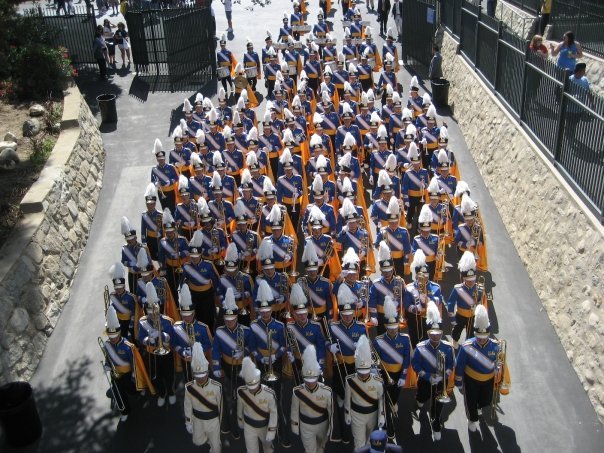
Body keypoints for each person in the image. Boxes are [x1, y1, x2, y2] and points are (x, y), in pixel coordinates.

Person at [454, 305, 505, 432]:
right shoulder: (466, 346)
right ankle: (471, 419)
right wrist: (459, 383)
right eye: (479, 337)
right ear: (475, 334)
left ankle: (479, 408)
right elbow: (459, 365)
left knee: (485, 400)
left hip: (488, 380)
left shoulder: (495, 346)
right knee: (470, 401)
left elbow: (500, 362)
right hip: (470, 379)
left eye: (484, 337)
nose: (482, 340)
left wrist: (499, 368)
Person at [411, 301, 454, 441]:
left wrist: (444, 375)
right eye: (432, 334)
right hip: (425, 380)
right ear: (428, 333)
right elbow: (415, 363)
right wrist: (427, 376)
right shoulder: (420, 347)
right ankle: (420, 400)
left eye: (438, 334)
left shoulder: (447, 347)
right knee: (422, 397)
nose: (435, 337)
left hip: (441, 381)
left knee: (438, 405)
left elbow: (451, 364)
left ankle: (436, 425)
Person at [344, 335, 385, 449]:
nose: (363, 374)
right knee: (359, 443)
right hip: (357, 414)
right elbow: (347, 399)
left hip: (372, 414)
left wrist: (381, 417)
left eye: (365, 371)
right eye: (360, 371)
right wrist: (347, 414)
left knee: (370, 441)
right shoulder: (350, 381)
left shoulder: (378, 382)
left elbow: (381, 401)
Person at [291, 345, 334, 453]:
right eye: (308, 380)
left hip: (323, 425)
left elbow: (331, 411)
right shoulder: (297, 392)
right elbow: (295, 410)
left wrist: (331, 428)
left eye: (313, 379)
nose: (310, 383)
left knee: (321, 448)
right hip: (306, 426)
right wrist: (295, 425)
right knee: (310, 450)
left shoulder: (327, 391)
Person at [184, 343, 223, 452]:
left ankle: (215, 444)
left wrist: (221, 422)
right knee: (198, 441)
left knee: (216, 447)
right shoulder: (189, 388)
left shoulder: (216, 386)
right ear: (193, 374)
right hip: (197, 420)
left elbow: (221, 405)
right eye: (197, 376)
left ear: (208, 372)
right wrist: (188, 422)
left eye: (203, 376)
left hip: (213, 420)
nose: (200, 379)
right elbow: (187, 406)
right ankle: (210, 440)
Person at [237, 357, 278, 453]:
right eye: (250, 387)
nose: (252, 389)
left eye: (254, 386)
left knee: (268, 449)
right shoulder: (241, 392)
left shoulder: (269, 393)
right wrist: (240, 421)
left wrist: (271, 431)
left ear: (259, 382)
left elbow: (273, 413)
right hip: (249, 426)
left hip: (264, 426)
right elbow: (240, 408)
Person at [566, 62, 591, 141]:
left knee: (575, 123)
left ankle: (571, 134)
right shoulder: (570, 79)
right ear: (578, 71)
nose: (583, 72)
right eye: (582, 71)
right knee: (570, 123)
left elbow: (589, 92)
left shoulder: (585, 80)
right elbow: (565, 92)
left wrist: (592, 103)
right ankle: (569, 135)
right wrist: (572, 96)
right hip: (569, 108)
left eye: (584, 71)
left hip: (579, 108)